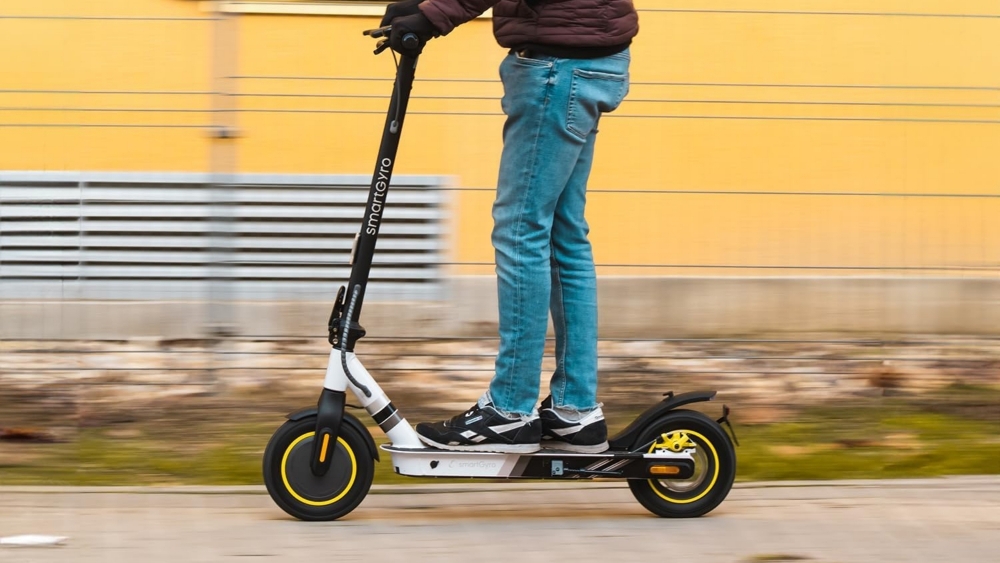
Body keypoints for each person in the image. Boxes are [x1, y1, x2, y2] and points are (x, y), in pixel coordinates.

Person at [382, 0, 637, 454]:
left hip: (559, 67)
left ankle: (510, 411)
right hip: (590, 59)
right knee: (564, 236)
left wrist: (433, 16)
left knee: (520, 230)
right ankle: (575, 411)